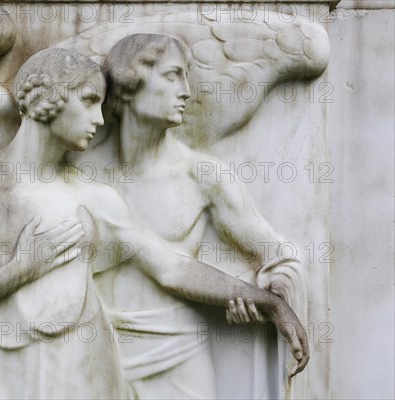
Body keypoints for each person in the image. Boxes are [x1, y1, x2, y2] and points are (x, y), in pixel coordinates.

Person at [0, 48, 308, 399]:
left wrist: (270, 301)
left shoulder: (94, 198)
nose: (99, 118)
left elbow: (171, 268)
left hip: (81, 375)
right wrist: (21, 269)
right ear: (47, 99)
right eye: (89, 102)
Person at [77, 33, 307, 398]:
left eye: (186, 77)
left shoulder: (203, 176)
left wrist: (269, 293)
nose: (186, 91)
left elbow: (277, 255)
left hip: (178, 355)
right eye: (172, 76)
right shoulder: (81, 174)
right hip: (91, 348)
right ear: (128, 86)